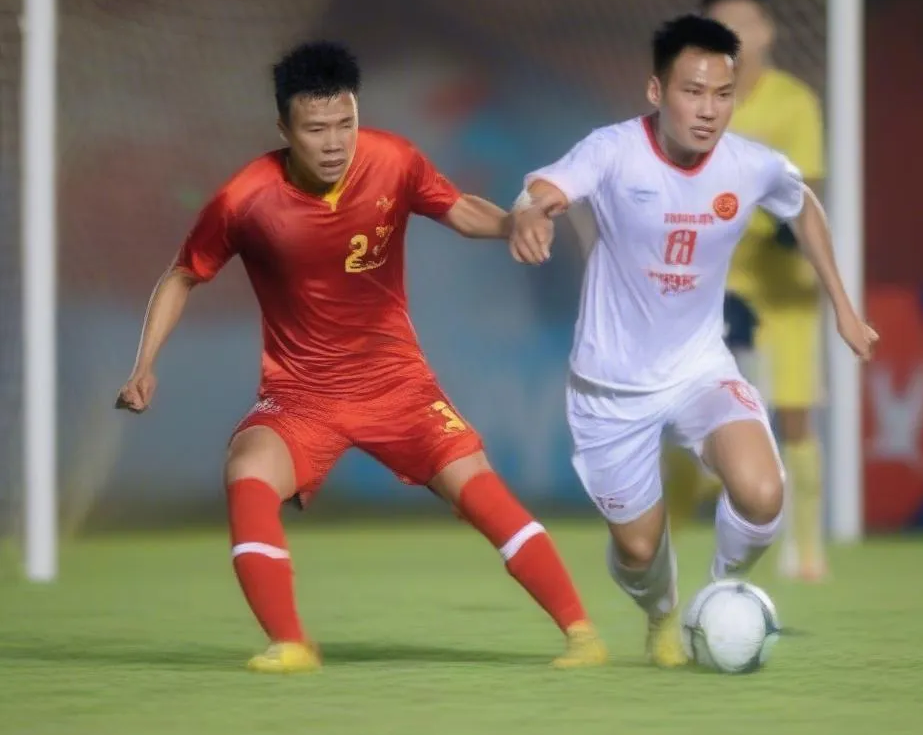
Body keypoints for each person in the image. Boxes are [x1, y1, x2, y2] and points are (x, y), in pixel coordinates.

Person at [116, 41, 607, 674]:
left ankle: (582, 635)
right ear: (284, 129)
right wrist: (144, 365)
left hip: (398, 385)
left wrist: (514, 225)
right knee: (247, 471)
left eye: (344, 123)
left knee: (480, 490)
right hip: (301, 396)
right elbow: (183, 275)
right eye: (315, 129)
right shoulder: (246, 198)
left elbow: (458, 209)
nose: (333, 142)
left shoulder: (393, 160)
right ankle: (290, 644)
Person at [508, 15, 875, 667]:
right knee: (641, 551)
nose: (709, 110)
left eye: (723, 94)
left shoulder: (750, 165)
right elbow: (542, 191)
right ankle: (660, 614)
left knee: (763, 493)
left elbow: (805, 207)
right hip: (609, 384)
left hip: (700, 369)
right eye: (693, 91)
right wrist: (531, 214)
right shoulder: (613, 149)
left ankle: (717, 595)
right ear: (656, 91)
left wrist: (844, 308)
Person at [701, 0, 829, 580]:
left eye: (744, 22)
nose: (736, 35)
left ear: (767, 31)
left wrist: (781, 221)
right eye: (722, 24)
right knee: (713, 412)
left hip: (783, 287)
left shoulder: (794, 102)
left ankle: (807, 549)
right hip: (713, 281)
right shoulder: (702, 100)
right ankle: (714, 521)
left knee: (795, 412)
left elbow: (806, 191)